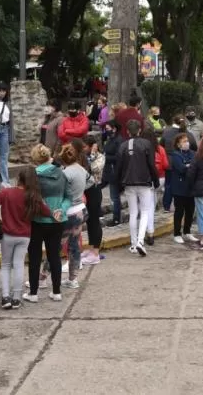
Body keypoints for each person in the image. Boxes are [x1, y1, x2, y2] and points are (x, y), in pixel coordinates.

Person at [0, 169, 52, 310]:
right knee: (18, 265)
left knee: (6, 265)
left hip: (8, 234)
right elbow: (47, 212)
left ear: (18, 179)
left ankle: (5, 297)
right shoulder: (32, 197)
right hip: (24, 236)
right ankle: (16, 298)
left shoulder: (6, 193)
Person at [24, 145, 68, 302]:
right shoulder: (61, 173)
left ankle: (33, 293)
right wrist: (61, 210)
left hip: (37, 220)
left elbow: (28, 197)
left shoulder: (33, 175)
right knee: (54, 256)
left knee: (34, 257)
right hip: (57, 220)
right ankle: (56, 292)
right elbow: (68, 196)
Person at [116, 119, 159, 257]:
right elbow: (152, 164)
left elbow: (119, 167)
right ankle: (141, 241)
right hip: (144, 181)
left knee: (133, 213)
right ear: (139, 130)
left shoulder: (123, 146)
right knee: (145, 211)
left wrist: (118, 185)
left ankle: (134, 243)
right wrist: (155, 180)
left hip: (128, 183)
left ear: (128, 131)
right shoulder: (146, 144)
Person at [59, 143, 92, 289]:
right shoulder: (81, 169)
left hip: (70, 211)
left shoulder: (65, 173)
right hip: (81, 210)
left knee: (57, 246)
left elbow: (59, 190)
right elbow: (91, 181)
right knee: (74, 245)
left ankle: (42, 278)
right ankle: (73, 278)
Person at [168, 133, 198, 244]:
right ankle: (177, 233)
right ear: (178, 144)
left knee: (190, 211)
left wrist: (188, 165)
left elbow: (196, 165)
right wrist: (189, 166)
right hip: (179, 188)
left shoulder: (193, 153)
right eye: (183, 141)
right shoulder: (175, 155)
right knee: (179, 211)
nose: (186, 143)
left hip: (191, 187)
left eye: (187, 140)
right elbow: (181, 169)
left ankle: (187, 231)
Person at [80, 134, 104, 264]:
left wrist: (93, 154)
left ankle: (96, 251)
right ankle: (90, 247)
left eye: (85, 147)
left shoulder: (100, 157)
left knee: (94, 220)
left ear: (91, 147)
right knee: (88, 221)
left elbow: (93, 168)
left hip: (94, 190)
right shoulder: (84, 157)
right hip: (84, 190)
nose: (83, 149)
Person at [101, 120, 124, 227]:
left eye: (108, 128)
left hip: (114, 171)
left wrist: (106, 157)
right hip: (107, 170)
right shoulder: (110, 139)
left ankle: (116, 218)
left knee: (114, 197)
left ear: (114, 128)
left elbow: (119, 157)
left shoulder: (119, 141)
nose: (106, 130)